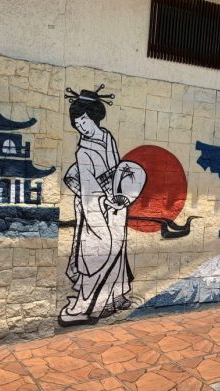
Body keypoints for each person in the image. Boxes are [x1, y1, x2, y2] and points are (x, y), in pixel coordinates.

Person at [59, 85, 143, 326]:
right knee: (93, 252)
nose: (80, 126)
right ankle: (85, 303)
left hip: (114, 204)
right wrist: (100, 207)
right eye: (76, 122)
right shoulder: (83, 152)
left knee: (116, 253)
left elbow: (118, 170)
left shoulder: (107, 137)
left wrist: (119, 194)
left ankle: (113, 298)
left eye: (83, 120)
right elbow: (87, 188)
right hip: (93, 206)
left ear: (95, 116)